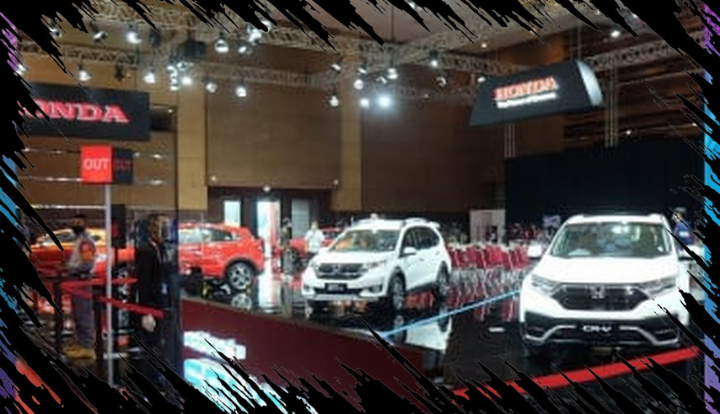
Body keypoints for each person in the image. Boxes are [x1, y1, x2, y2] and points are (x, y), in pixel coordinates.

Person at [133, 214, 172, 389]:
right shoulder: (145, 250)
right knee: (152, 342)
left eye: (161, 226)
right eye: (156, 226)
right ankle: (152, 379)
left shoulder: (161, 248)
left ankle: (160, 375)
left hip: (163, 301)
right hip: (151, 303)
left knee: (161, 341)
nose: (160, 229)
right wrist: (146, 310)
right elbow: (144, 282)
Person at [63, 213, 97, 360]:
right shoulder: (78, 240)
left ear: (85, 224)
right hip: (76, 280)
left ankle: (88, 346)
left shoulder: (85, 242)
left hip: (82, 281)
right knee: (77, 314)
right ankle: (80, 343)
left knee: (83, 314)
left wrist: (71, 269)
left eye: (78, 223)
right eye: (74, 222)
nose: (75, 225)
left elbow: (87, 264)